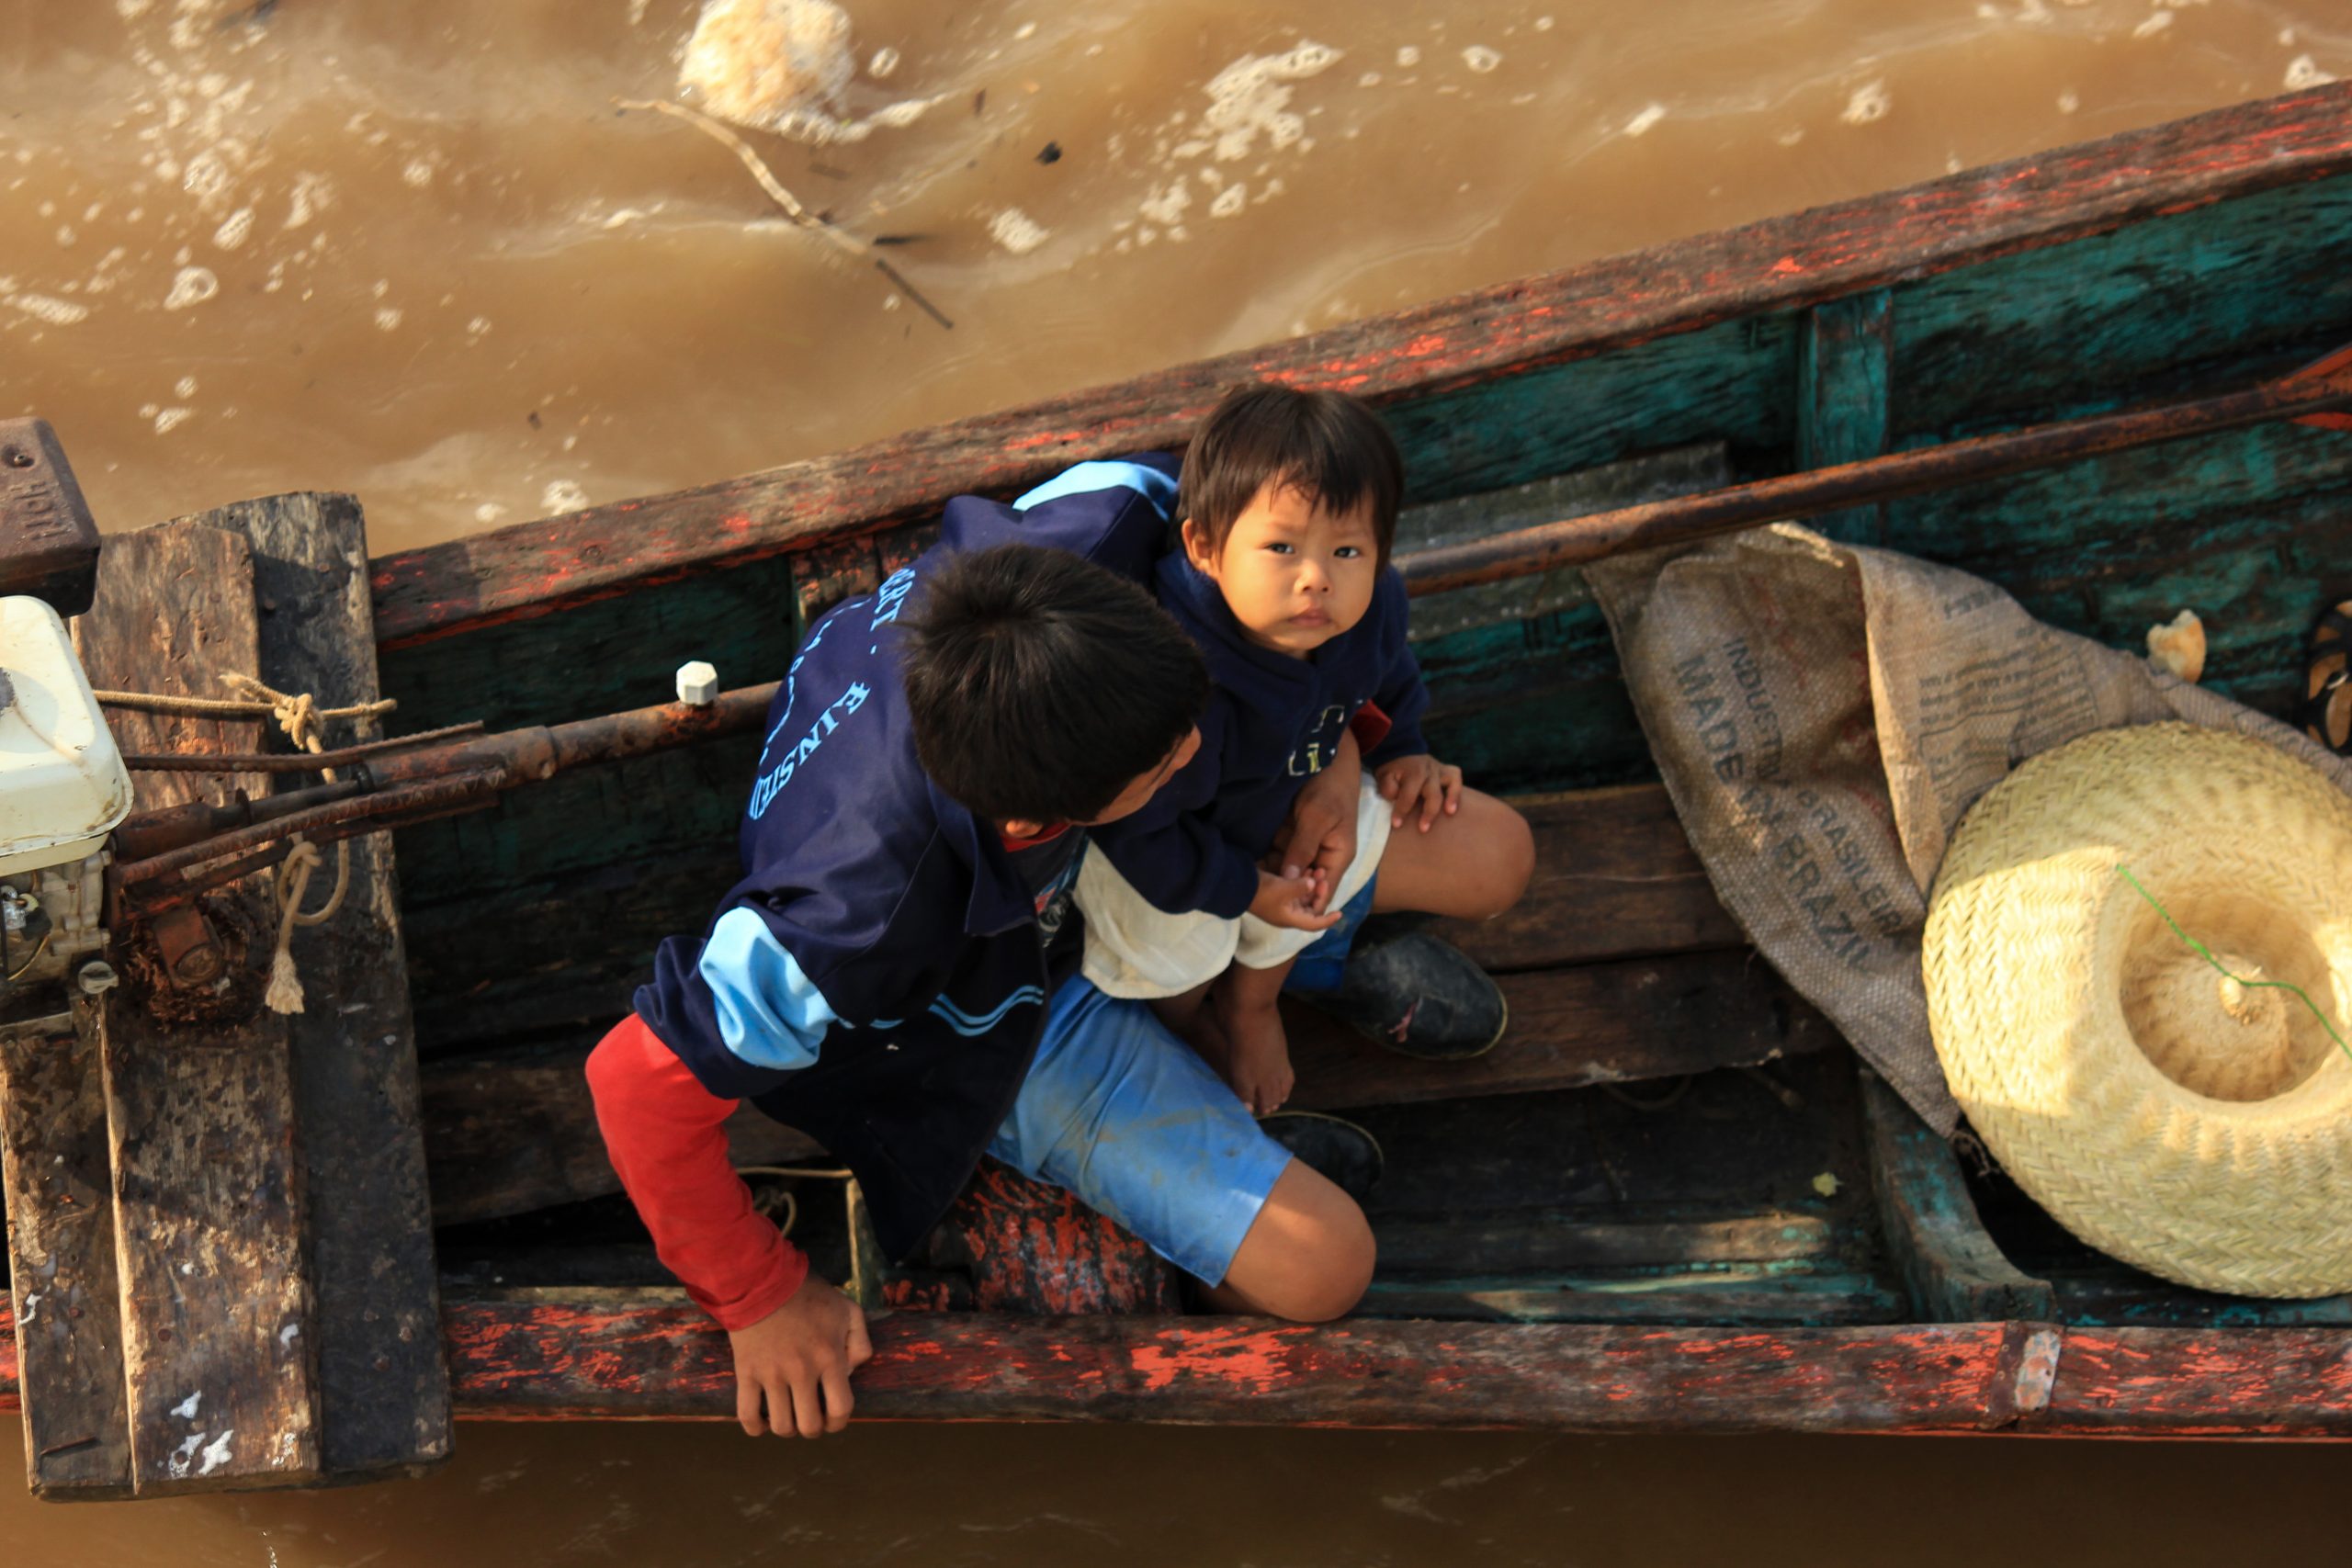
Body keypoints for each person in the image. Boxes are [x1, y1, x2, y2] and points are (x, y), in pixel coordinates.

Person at [586, 475, 1379, 1442]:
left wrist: (1339, 756)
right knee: (1327, 1267)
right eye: (1165, 764)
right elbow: (634, 1086)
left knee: (1465, 853)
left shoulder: (1090, 538)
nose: (1196, 751)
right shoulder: (857, 922)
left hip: (1073, 876)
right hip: (983, 1021)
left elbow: (1192, 492)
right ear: (1030, 825)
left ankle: (1240, 1039)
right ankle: (1205, 1240)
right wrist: (758, 1294)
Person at [1080, 383, 1536, 1115]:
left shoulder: (1370, 606)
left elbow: (1386, 674)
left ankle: (1259, 999)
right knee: (1179, 964)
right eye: (1281, 547)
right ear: (1203, 548)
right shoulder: (1167, 677)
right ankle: (1195, 1020)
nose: (1318, 577)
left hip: (1288, 805)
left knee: (1490, 857)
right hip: (1165, 856)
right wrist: (1244, 888)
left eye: (1347, 550)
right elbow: (1138, 833)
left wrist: (1403, 749)